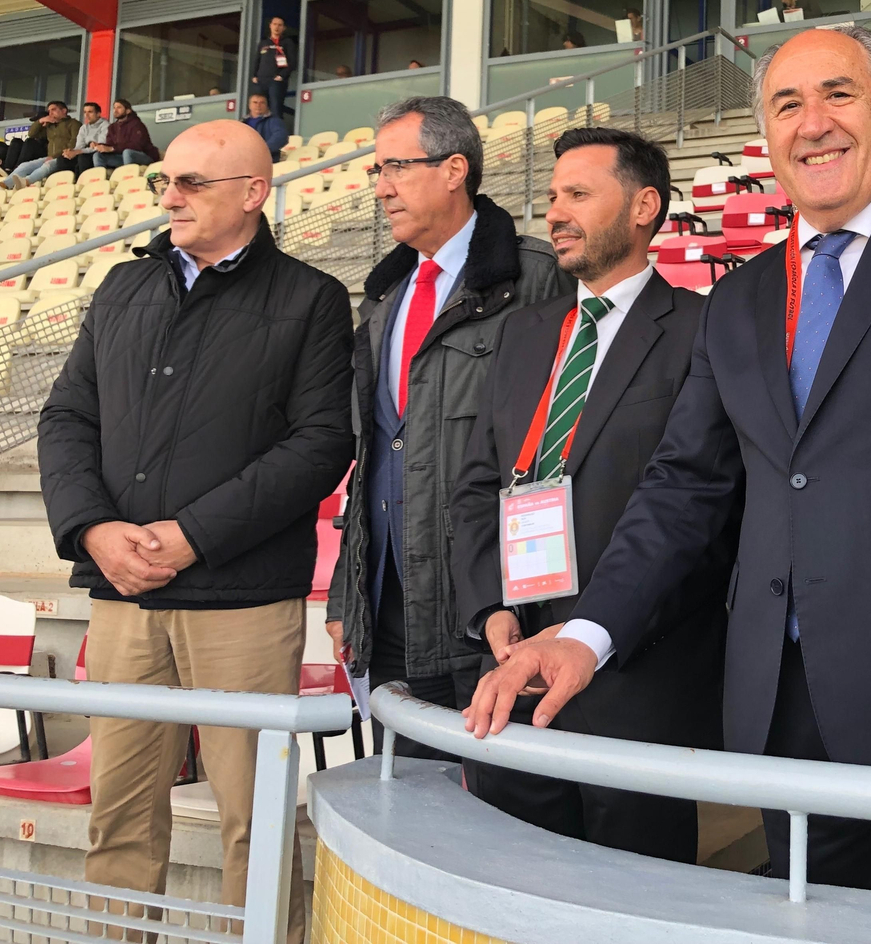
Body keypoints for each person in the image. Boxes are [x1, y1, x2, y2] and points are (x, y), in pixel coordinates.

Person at [463, 24, 871, 907]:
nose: (814, 123)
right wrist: (586, 633)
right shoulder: (738, 298)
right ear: (765, 135)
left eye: (839, 94)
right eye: (787, 104)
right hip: (785, 722)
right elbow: (685, 487)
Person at [38, 120, 354, 944]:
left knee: (253, 819)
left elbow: (321, 444)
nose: (168, 197)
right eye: (163, 182)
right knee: (119, 816)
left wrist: (192, 536)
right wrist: (93, 529)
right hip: (123, 593)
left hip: (241, 601)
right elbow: (67, 416)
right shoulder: (122, 287)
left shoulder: (311, 297)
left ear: (253, 193)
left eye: (190, 183)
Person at [449, 127, 726, 862]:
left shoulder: (701, 329)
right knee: (514, 881)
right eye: (551, 197)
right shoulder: (524, 333)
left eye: (578, 194)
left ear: (644, 208)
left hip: (635, 678)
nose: (555, 214)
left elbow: (697, 503)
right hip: (512, 669)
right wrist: (490, 610)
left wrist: (592, 633)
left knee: (630, 894)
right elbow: (477, 484)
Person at [326, 95, 566, 757]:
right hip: (388, 611)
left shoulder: (537, 278)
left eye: (396, 167)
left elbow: (562, 452)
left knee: (496, 803)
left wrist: (539, 613)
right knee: (403, 794)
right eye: (377, 171)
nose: (382, 188)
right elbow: (372, 457)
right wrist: (348, 596)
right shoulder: (383, 298)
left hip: (492, 619)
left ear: (455, 169)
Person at [6, 101, 77, 174]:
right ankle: (10, 171)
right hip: (49, 157)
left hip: (61, 157)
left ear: (64, 111)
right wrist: (40, 122)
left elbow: (74, 142)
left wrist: (55, 156)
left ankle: (24, 177)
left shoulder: (73, 123)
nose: (50, 113)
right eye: (49, 111)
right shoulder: (50, 126)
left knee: (42, 167)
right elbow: (31, 134)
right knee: (23, 164)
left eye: (53, 110)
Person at [250, 16, 293, 119]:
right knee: (258, 107)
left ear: (284, 28)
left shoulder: (287, 42)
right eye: (274, 24)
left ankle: (275, 127)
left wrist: (281, 76)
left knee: (275, 108)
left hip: (276, 81)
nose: (277, 27)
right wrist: (254, 76)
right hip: (261, 80)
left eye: (280, 25)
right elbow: (257, 60)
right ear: (270, 26)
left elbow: (292, 62)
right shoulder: (263, 43)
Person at [96, 99, 158, 169]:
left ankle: (128, 174)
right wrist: (100, 146)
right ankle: (99, 175)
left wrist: (113, 148)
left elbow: (137, 145)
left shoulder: (137, 124)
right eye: (114, 108)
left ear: (128, 111)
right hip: (122, 157)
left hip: (144, 156)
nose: (115, 110)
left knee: (127, 152)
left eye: (119, 107)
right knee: (98, 155)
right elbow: (110, 144)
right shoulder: (112, 127)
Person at [241, 93, 286, 161]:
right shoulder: (242, 123)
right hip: (244, 160)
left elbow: (281, 137)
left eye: (262, 103)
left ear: (267, 106)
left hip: (266, 160)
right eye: (255, 102)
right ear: (249, 105)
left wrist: (262, 149)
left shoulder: (274, 121)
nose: (258, 105)